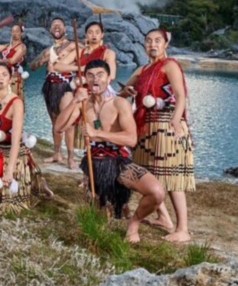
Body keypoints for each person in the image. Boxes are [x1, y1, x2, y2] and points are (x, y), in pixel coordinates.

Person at [55, 59, 166, 243]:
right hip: (94, 164)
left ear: (108, 78)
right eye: (90, 76)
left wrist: (97, 133)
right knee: (100, 223)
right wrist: (74, 100)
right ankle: (112, 204)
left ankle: (134, 223)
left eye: (100, 75)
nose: (95, 79)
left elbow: (131, 139)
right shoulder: (83, 105)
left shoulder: (119, 103)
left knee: (156, 192)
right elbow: (59, 127)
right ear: (85, 79)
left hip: (119, 160)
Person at [121, 29, 195, 243]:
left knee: (173, 178)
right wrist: (131, 92)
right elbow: (123, 92)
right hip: (146, 127)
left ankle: (183, 229)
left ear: (165, 44)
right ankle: (163, 217)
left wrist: (175, 119)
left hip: (167, 125)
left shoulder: (169, 65)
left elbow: (181, 95)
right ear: (144, 44)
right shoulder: (142, 69)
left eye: (157, 41)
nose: (152, 44)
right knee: (149, 174)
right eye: (148, 41)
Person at [0, 62, 52, 213]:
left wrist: (9, 171)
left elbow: (16, 140)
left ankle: (33, 184)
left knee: (3, 185)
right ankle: (4, 190)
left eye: (4, 75)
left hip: (15, 153)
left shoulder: (16, 103)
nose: (0, 78)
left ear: (10, 78)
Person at [55, 20, 118, 168]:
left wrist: (93, 74)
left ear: (102, 34)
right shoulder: (81, 51)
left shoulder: (108, 53)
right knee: (71, 120)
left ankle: (100, 166)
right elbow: (57, 65)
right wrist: (81, 68)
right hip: (81, 92)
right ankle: (73, 160)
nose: (94, 35)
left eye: (97, 32)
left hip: (98, 94)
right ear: (86, 35)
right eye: (90, 32)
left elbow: (112, 74)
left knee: (97, 129)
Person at [28, 17, 77, 165]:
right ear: (50, 30)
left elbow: (84, 59)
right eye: (54, 25)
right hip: (50, 86)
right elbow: (32, 66)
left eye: (59, 25)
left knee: (67, 123)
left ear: (65, 29)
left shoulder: (73, 46)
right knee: (55, 122)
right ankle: (57, 154)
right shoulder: (46, 50)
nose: (56, 27)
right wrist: (41, 61)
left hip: (65, 86)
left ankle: (70, 158)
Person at [0, 22, 27, 100]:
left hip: (14, 78)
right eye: (13, 31)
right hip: (3, 77)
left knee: (13, 102)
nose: (15, 33)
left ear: (21, 33)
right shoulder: (7, 46)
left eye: (17, 31)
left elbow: (12, 61)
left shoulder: (22, 47)